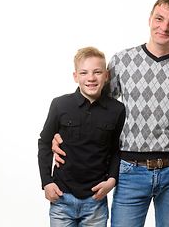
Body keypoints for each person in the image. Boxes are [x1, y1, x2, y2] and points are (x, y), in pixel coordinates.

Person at [52, 0, 169, 227]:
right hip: (129, 172)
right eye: (159, 18)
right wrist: (63, 134)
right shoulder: (122, 61)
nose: (164, 27)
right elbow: (94, 103)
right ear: (149, 20)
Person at [38, 46, 126, 226]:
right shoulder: (60, 105)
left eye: (97, 72)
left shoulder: (117, 110)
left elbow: (116, 149)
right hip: (62, 198)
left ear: (106, 75)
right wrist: (46, 182)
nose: (91, 78)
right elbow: (45, 143)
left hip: (95, 201)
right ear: (75, 76)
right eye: (84, 73)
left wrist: (111, 180)